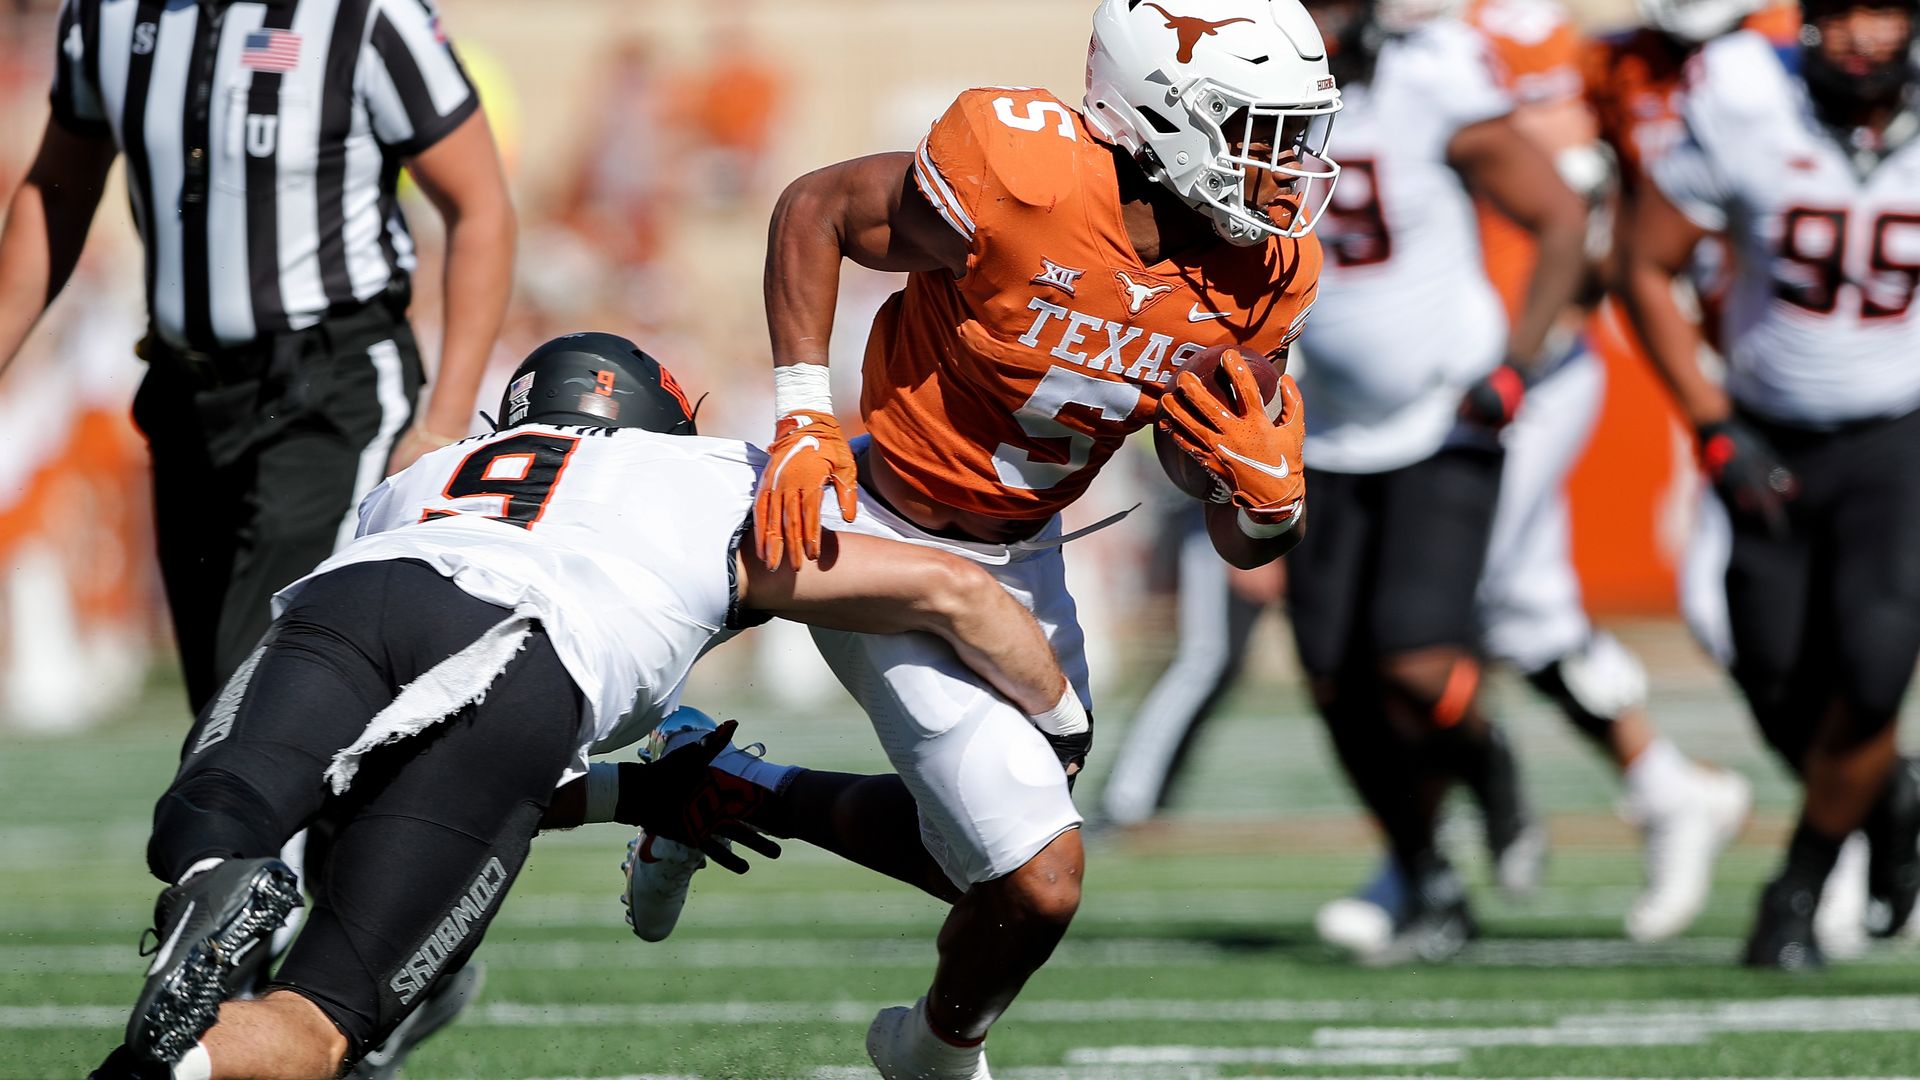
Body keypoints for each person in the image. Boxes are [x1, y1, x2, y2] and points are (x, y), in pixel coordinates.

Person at [624, 1, 1337, 1074]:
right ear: (1156, 112)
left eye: (1297, 134)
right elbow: (816, 208)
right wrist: (806, 415)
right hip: (875, 527)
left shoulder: (1262, 272)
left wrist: (1264, 499)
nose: (1287, 169)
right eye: (1257, 131)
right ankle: (935, 1054)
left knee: (992, 860)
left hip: (1027, 552)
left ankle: (716, 786)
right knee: (1039, 875)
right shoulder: (1024, 170)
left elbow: (1215, 490)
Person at [87, 332, 1084, 1080]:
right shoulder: (713, 474)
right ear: (665, 418)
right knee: (321, 1020)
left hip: (362, 593)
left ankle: (211, 875)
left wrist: (637, 799)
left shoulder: (422, 476)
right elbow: (958, 595)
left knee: (226, 797)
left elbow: (408, 757)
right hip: (535, 656)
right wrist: (1059, 720)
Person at [0, 0, 515, 714]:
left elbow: (480, 203)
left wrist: (442, 421)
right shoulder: (108, 14)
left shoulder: (365, 17)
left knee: (259, 707)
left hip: (330, 391)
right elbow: (56, 189)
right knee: (225, 698)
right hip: (188, 397)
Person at [1276, 0, 1586, 963]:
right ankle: (1425, 871)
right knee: (1332, 676)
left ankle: (1486, 761)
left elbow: (1560, 213)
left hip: (1442, 411)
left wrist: (1516, 363)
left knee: (1411, 663)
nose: (1318, 28)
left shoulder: (1426, 80)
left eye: (1332, 5)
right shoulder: (1237, 102)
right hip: (1317, 427)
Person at [1615, 0, 1920, 968]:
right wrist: (1711, 422)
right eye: (1845, 14)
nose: (1865, 37)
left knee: (1875, 668)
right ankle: (1895, 799)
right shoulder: (1749, 94)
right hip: (1767, 428)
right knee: (1776, 670)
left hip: (1899, 435)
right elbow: (1645, 265)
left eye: (1886, 13)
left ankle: (1799, 885)